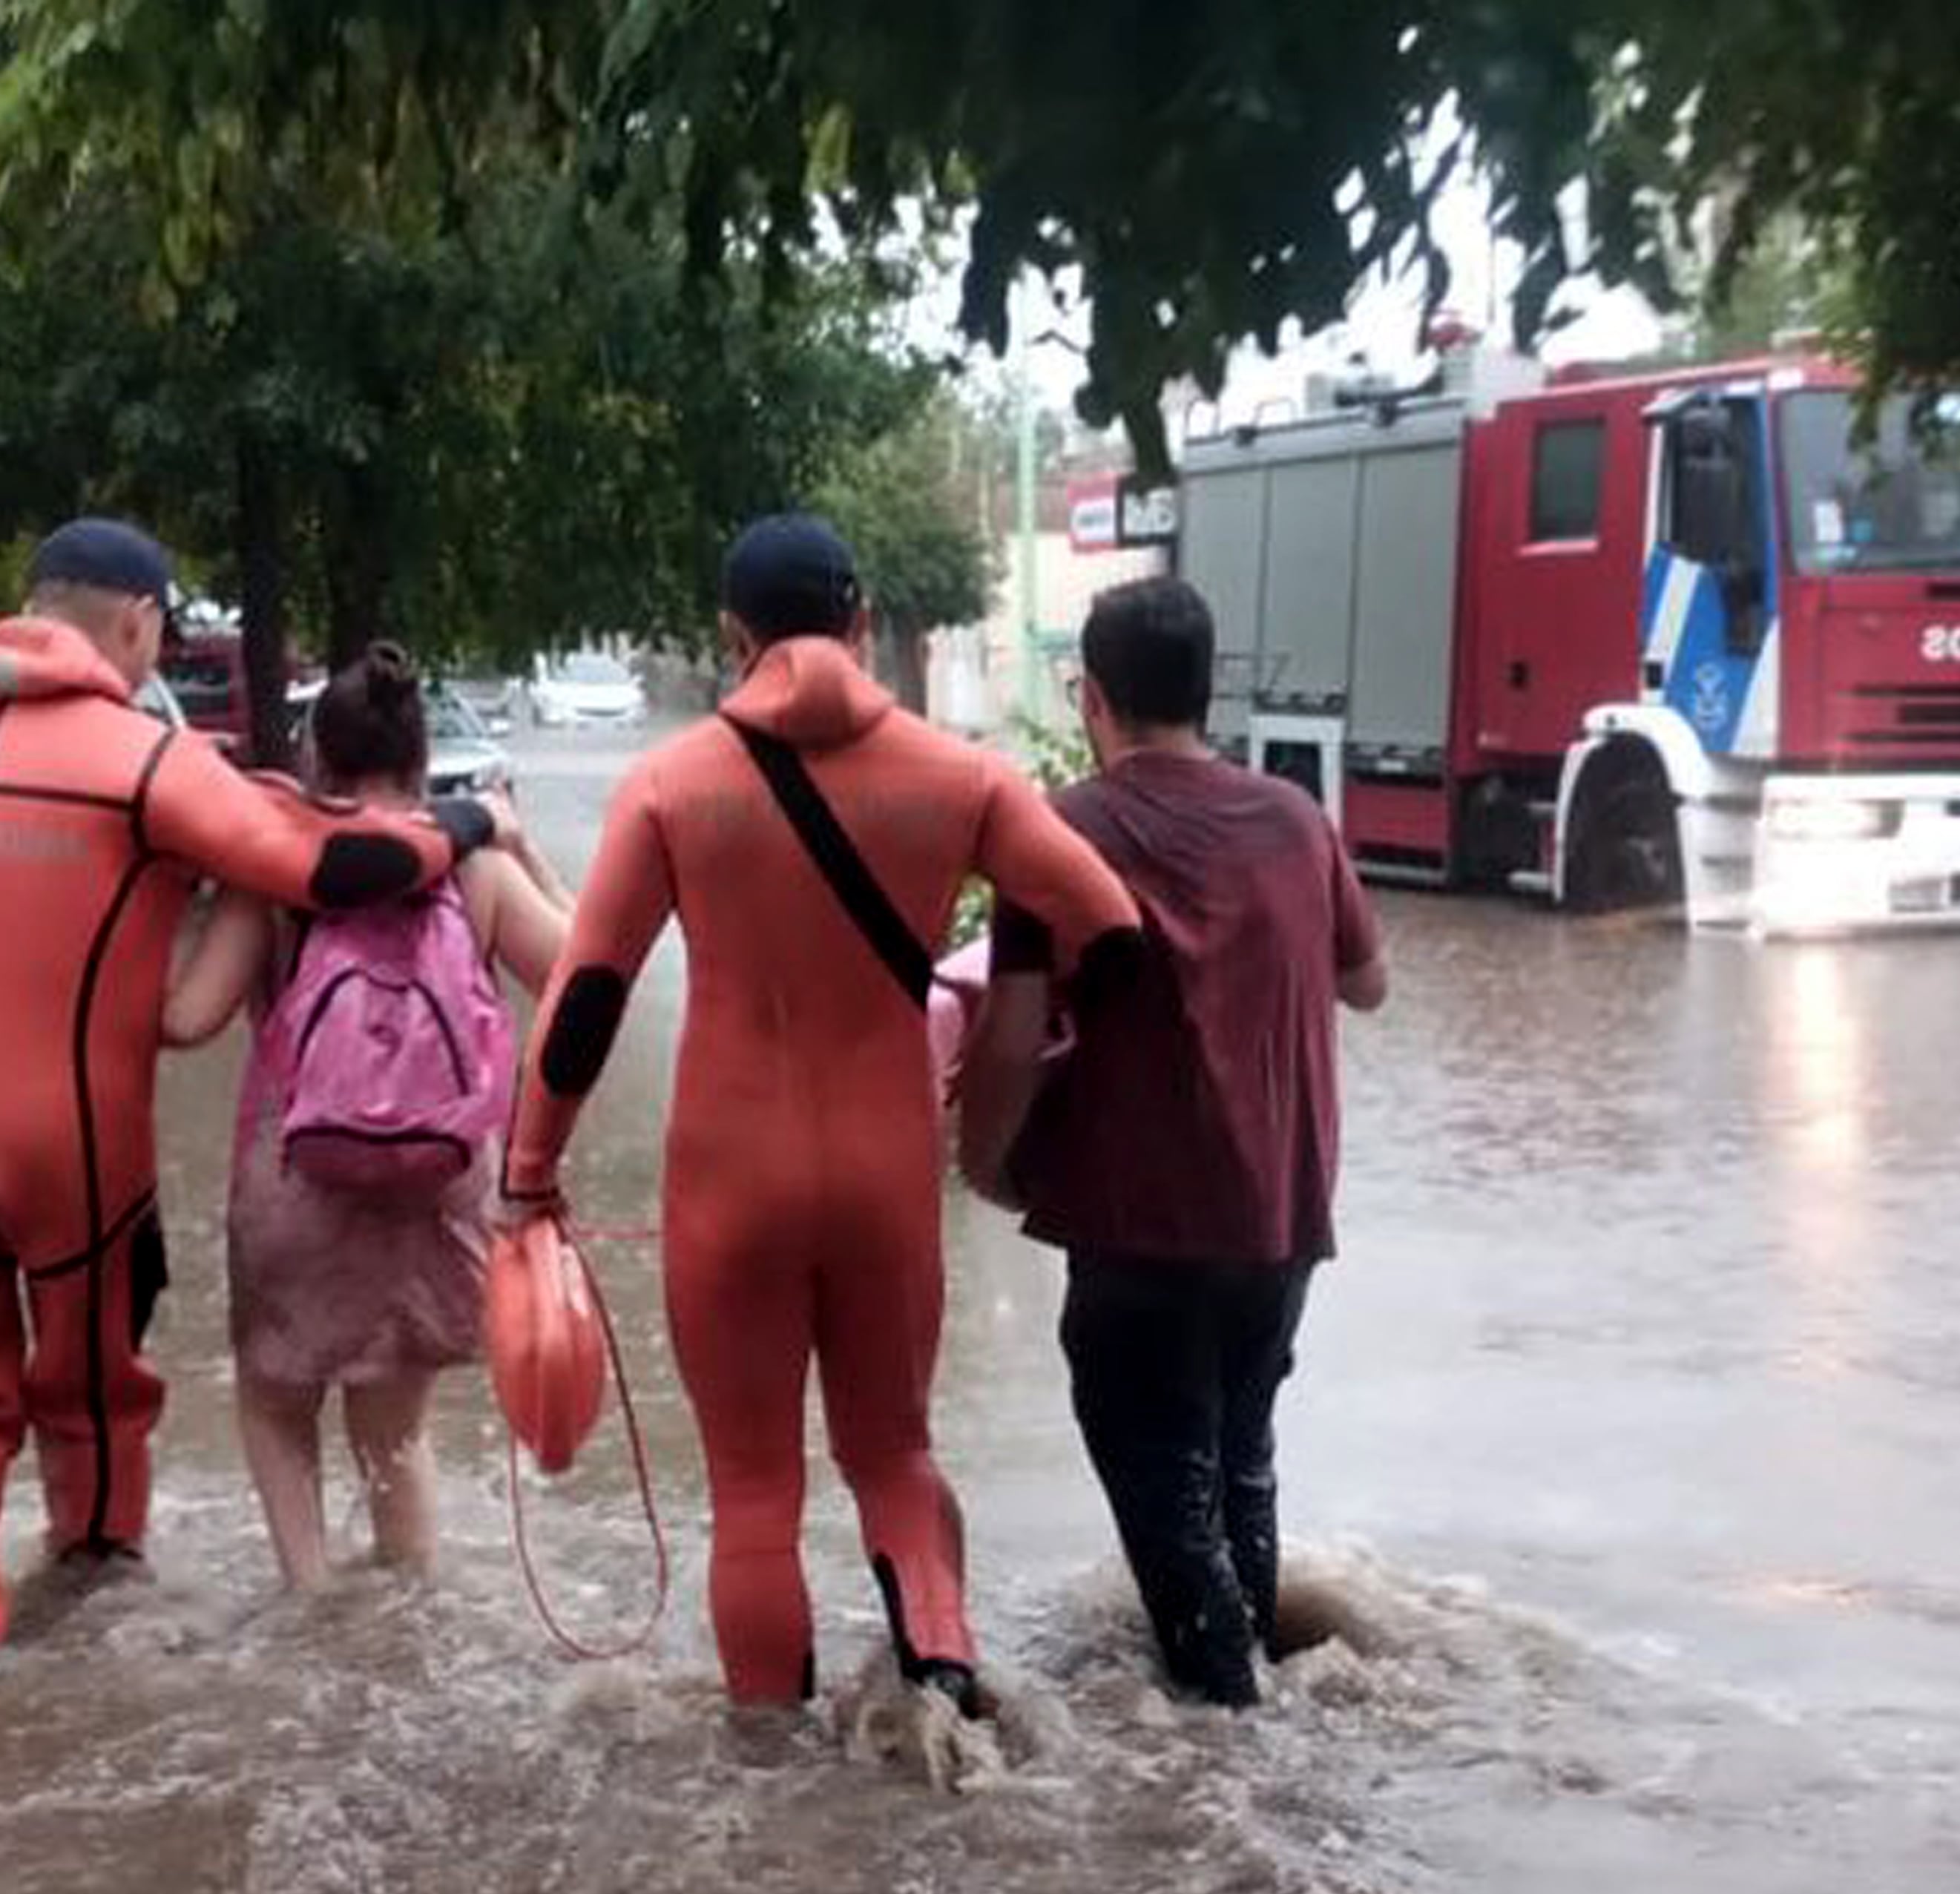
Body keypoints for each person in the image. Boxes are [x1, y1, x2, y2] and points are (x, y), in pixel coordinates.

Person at [501, 515, 1140, 1715]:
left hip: (729, 1177)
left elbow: (588, 993)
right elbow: (1109, 927)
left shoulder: (673, 784)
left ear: (735, 638)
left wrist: (528, 1172)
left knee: (753, 1493)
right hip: (886, 1172)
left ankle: (768, 1775)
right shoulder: (963, 778)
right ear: (858, 625)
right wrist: (1036, 1050)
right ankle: (945, 1705)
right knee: (895, 1458)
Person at [0, 519, 503, 1666]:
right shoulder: (143, 758)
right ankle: (97, 1564)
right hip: (71, 1138)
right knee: (88, 1382)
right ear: (138, 623)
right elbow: (341, 866)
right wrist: (476, 821)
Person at [958, 575, 1387, 1708]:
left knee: (1168, 1503)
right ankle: (1270, 1731)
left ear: (1091, 696)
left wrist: (982, 1162)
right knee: (1237, 1467)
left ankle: (1230, 1763)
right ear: (1208, 691)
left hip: (1137, 1233)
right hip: (1279, 1227)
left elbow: (1005, 1037)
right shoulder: (1298, 821)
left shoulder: (1056, 830)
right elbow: (1370, 983)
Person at [162, 648, 573, 1589]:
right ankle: (403, 1609)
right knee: (394, 1431)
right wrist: (519, 845)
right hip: (435, 1183)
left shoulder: (271, 873)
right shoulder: (472, 872)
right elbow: (582, 977)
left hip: (296, 1182)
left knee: (275, 1401)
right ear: (423, 761)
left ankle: (307, 1600)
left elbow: (185, 1020)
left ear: (316, 760)